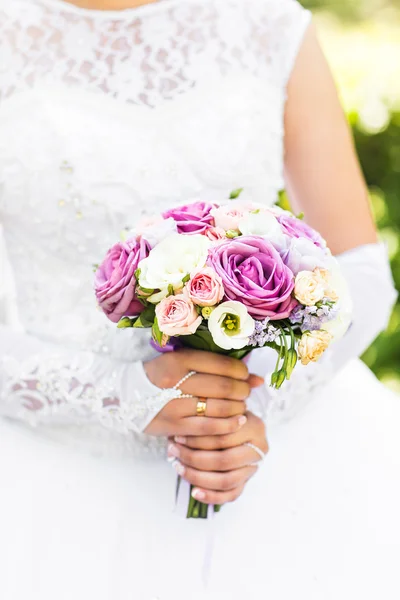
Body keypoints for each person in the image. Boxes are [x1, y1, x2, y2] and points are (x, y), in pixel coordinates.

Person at [0, 0, 399, 598]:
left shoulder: (270, 27)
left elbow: (361, 271)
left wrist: (249, 409)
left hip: (275, 463)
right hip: (49, 469)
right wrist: (125, 397)